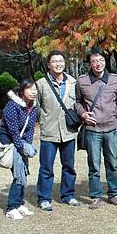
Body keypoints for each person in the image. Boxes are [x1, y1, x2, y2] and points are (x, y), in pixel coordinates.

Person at [75, 47, 117, 209]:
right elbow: (77, 102)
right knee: (94, 165)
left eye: (101, 60)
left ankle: (114, 194)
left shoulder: (114, 79)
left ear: (105, 61)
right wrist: (83, 114)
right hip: (92, 130)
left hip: (111, 129)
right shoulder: (82, 81)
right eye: (94, 61)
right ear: (90, 63)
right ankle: (95, 196)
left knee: (112, 163)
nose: (98, 64)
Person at [35, 50, 79, 211]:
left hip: (68, 131)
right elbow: (36, 107)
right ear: (49, 64)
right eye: (54, 61)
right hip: (49, 132)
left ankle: (68, 195)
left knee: (69, 166)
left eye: (61, 61)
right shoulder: (41, 84)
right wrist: (44, 121)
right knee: (46, 167)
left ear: (65, 63)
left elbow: (78, 105)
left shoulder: (73, 83)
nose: (58, 64)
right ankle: (44, 198)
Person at [0, 79, 39, 219]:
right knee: (18, 174)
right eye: (30, 89)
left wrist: (27, 147)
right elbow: (13, 131)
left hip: (21, 143)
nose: (33, 92)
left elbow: (30, 130)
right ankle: (12, 207)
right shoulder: (12, 106)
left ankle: (19, 203)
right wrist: (21, 148)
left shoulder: (33, 106)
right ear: (22, 90)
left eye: (35, 89)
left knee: (24, 172)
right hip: (10, 143)